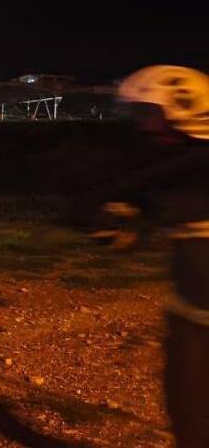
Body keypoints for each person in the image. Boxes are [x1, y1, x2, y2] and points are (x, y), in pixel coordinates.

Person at [99, 65, 209, 447]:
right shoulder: (177, 159)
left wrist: (145, 213)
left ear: (184, 110)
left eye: (149, 113)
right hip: (189, 319)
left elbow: (188, 199)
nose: (143, 126)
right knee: (186, 419)